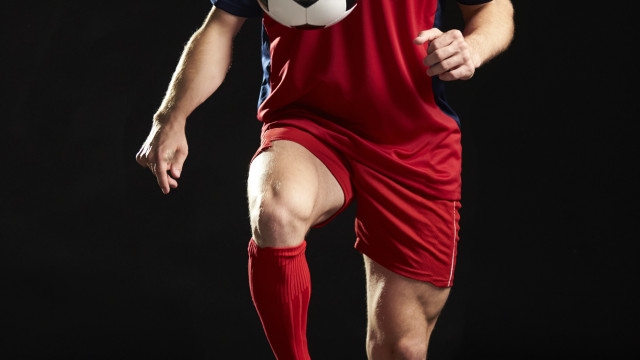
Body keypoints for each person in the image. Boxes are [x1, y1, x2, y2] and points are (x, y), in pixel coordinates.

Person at [136, 0, 514, 358]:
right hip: (308, 120)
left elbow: (492, 8)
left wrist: (472, 48)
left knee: (402, 348)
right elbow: (219, 26)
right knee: (276, 206)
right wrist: (171, 115)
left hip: (411, 135)